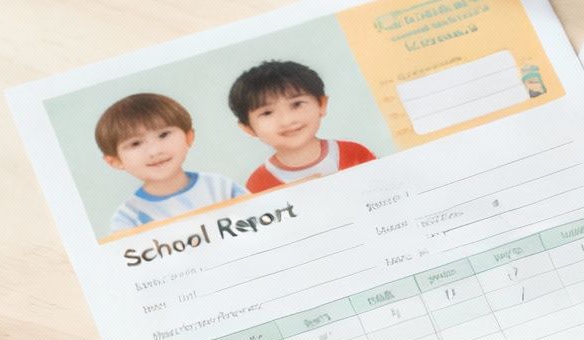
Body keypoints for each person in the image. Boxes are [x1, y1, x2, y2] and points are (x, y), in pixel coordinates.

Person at [96, 93, 239, 235]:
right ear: (115, 161)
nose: (154, 151)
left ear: (188, 137)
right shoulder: (128, 218)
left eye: (163, 135)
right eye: (135, 143)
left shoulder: (220, 187)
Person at [227, 60, 376, 193]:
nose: (287, 120)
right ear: (248, 128)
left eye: (297, 104)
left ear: (321, 104)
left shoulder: (355, 153)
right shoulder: (258, 184)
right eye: (267, 113)